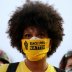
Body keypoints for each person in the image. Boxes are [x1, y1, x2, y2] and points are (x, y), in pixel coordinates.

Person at [0, 1, 65, 72]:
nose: (34, 39)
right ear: (21, 42)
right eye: (28, 35)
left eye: (40, 35)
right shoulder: (5, 70)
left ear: (50, 42)